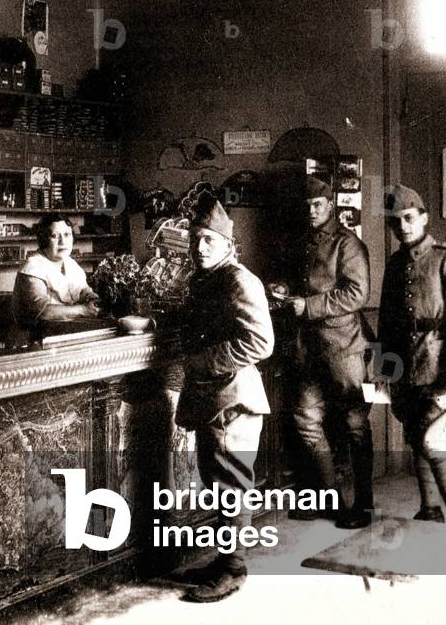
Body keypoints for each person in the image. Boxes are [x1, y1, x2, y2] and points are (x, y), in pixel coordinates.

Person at [174, 197, 274, 603]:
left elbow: (260, 341)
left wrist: (203, 361)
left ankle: (233, 569)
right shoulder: (206, 278)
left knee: (232, 485)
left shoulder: (238, 280)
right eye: (196, 240)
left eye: (209, 241)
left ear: (228, 245)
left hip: (234, 400)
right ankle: (225, 558)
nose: (200, 248)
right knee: (219, 483)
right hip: (214, 399)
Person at [378, 184, 446, 525]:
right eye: (395, 222)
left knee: (432, 438)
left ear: (424, 218)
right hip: (407, 366)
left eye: (408, 218)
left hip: (440, 363)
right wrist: (385, 370)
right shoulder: (395, 264)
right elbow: (387, 322)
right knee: (415, 437)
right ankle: (430, 509)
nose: (402, 227)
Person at [284, 176, 373, 529]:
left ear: (330, 205)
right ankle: (331, 498)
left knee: (354, 425)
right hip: (309, 349)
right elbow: (309, 284)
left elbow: (357, 294)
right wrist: (286, 289)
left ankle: (363, 505)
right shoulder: (305, 242)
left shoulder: (347, 243)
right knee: (305, 420)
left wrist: (307, 306)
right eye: (306, 207)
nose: (311, 211)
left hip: (343, 348)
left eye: (317, 205)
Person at [12, 213, 101, 332]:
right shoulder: (32, 267)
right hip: (37, 338)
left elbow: (83, 289)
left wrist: (91, 297)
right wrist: (84, 310)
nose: (62, 242)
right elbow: (44, 312)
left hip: (66, 332)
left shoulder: (70, 263)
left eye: (67, 235)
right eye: (55, 236)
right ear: (44, 240)